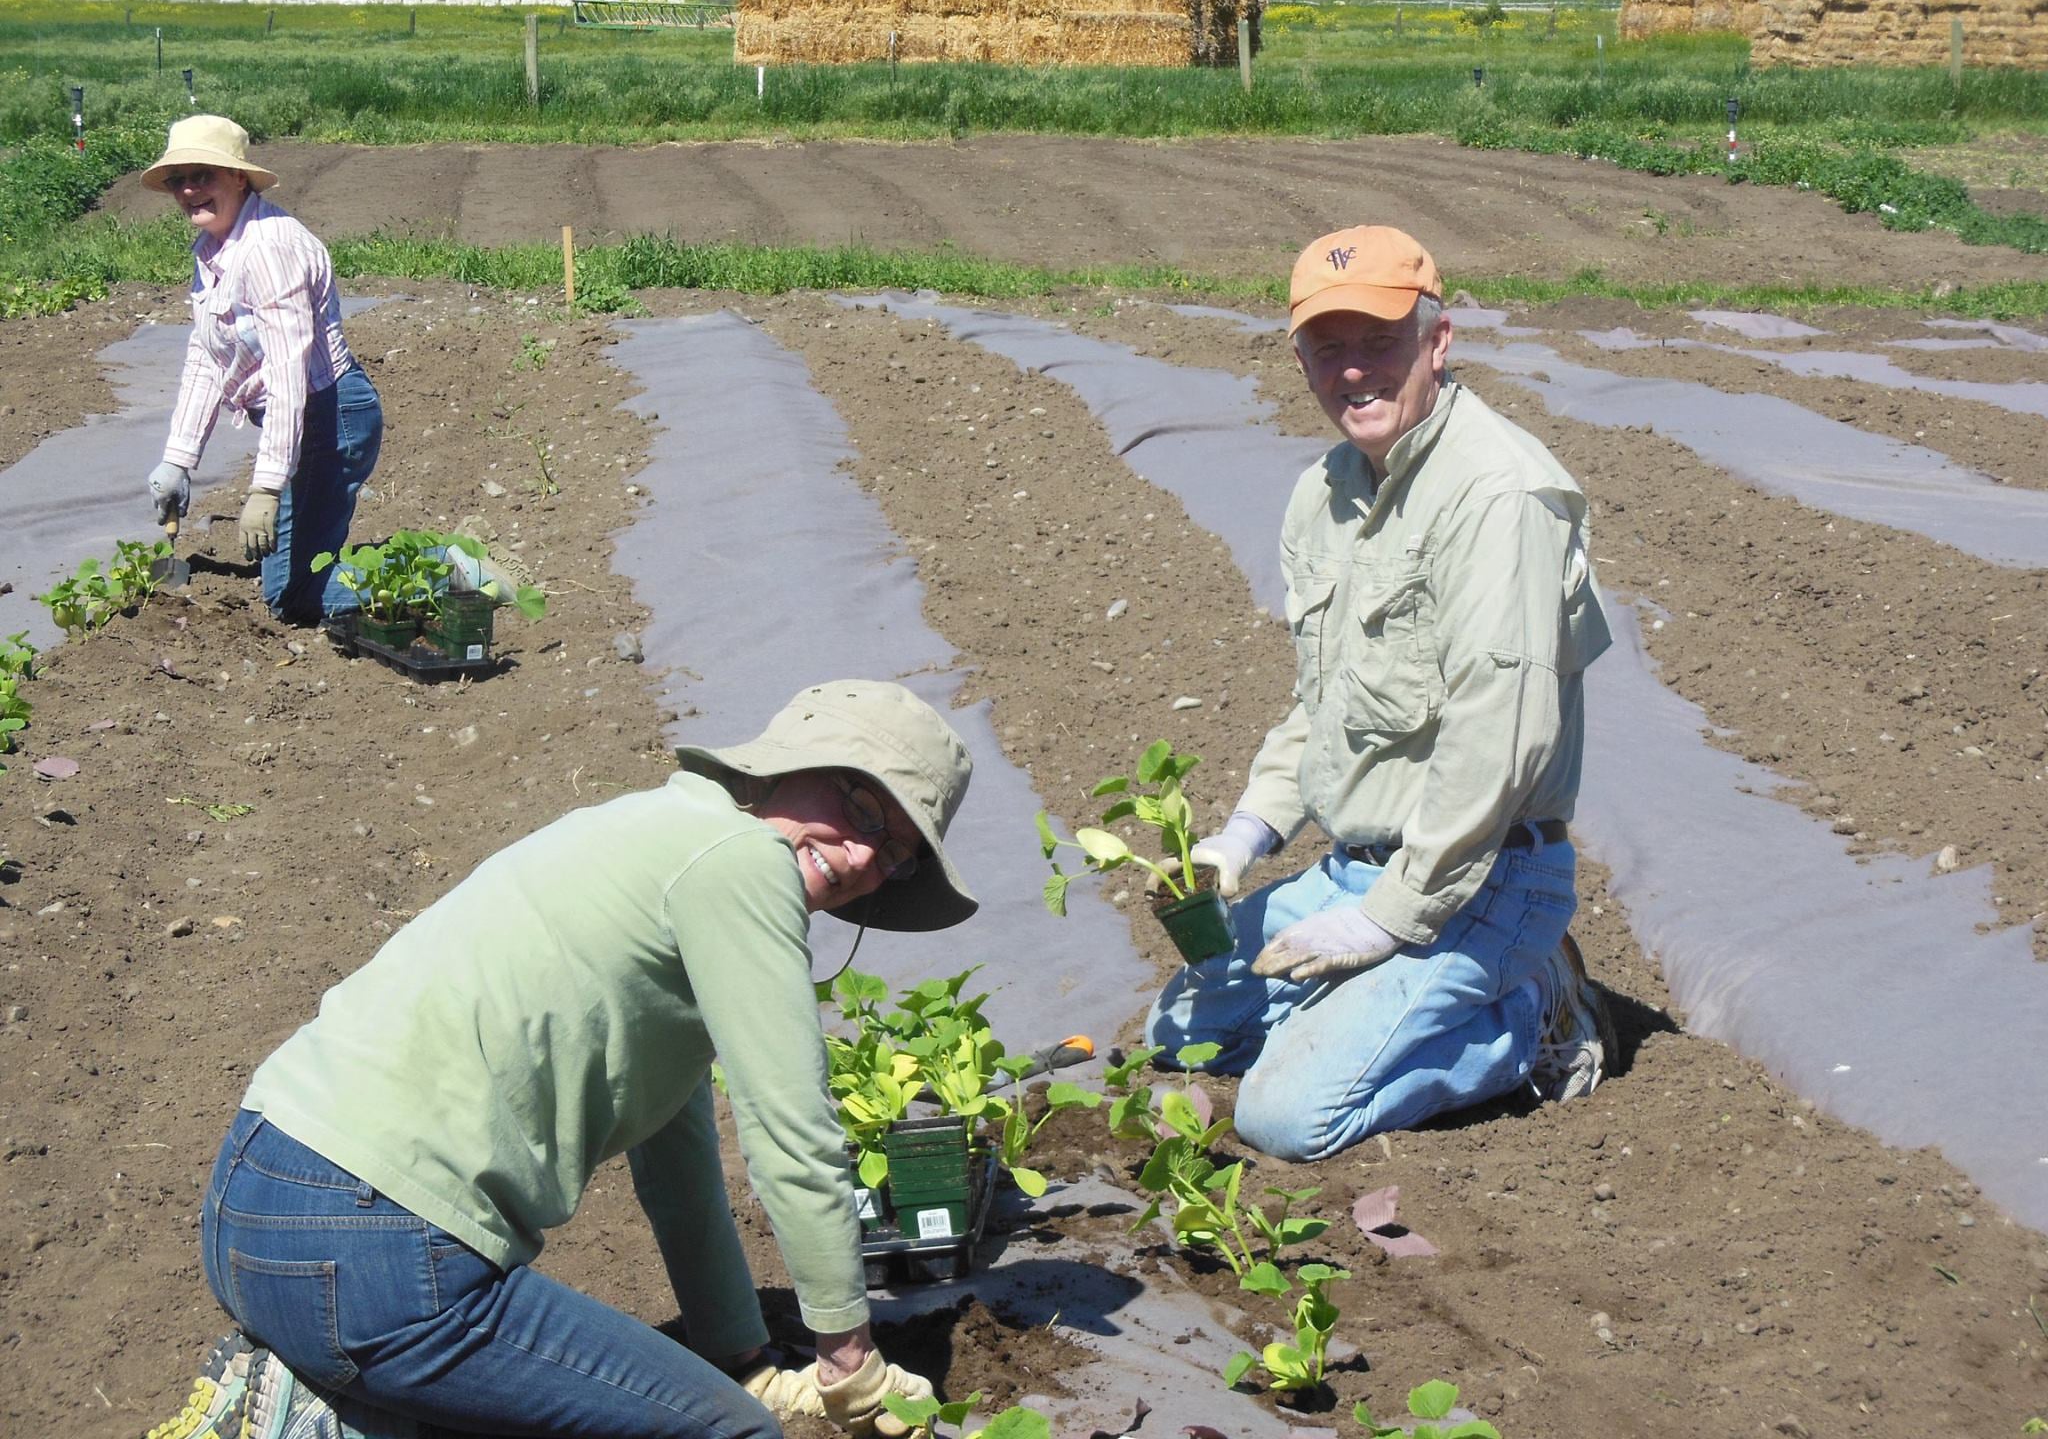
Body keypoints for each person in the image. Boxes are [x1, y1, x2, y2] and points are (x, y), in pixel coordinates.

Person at [147, 680, 972, 1439]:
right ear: (798, 763)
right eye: (863, 808)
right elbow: (793, 1134)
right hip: (379, 1250)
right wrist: (849, 1359)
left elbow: (679, 1173)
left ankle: (307, 1411)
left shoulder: (654, 834)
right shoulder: (740, 862)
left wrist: (743, 1366)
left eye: (895, 854)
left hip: (254, 1206)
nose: (866, 860)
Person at [1146, 225, 1618, 1164]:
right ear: (1300, 357)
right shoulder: (1325, 493)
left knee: (1283, 1116)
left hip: (1481, 877)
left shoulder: (1497, 496)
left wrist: (1385, 921)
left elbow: (1502, 738)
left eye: (1380, 344)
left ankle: (1536, 1016)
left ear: (1437, 344)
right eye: (1331, 348)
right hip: (1354, 864)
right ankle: (1372, 1005)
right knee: (1185, 1028)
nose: (1353, 372)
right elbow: (1322, 698)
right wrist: (1247, 831)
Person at [139, 114, 383, 626]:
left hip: (329, 418)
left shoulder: (269, 250)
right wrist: (178, 460)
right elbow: (209, 355)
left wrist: (265, 487)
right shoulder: (215, 249)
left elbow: (288, 374)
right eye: (179, 180)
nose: (189, 190)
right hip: (307, 420)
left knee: (290, 596)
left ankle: (449, 570)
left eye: (203, 175)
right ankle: (391, 573)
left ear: (239, 177)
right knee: (301, 575)